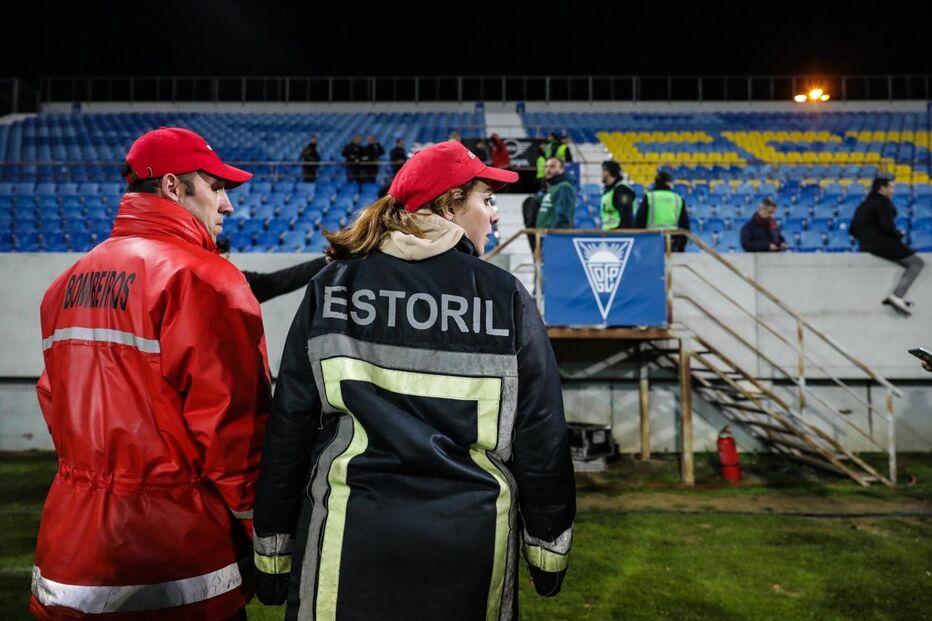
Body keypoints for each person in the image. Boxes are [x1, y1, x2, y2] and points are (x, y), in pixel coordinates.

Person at [253, 141, 576, 620]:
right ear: (448, 206)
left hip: (347, 539)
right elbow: (541, 431)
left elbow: (291, 424)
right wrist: (548, 546)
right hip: (473, 543)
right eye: (486, 200)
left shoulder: (335, 285)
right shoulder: (504, 296)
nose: (494, 215)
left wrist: (274, 544)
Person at [32, 127, 272, 620]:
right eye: (216, 187)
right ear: (172, 186)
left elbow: (56, 406)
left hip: (70, 550)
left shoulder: (66, 282)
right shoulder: (202, 279)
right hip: (178, 554)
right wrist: (266, 535)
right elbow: (234, 434)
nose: (227, 205)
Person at [850, 177, 925, 315]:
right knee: (917, 262)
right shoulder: (883, 203)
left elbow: (852, 230)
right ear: (882, 188)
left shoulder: (862, 205)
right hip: (882, 244)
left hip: (865, 246)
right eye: (891, 187)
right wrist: (899, 233)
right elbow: (887, 227)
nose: (893, 191)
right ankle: (897, 295)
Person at [216, 237, 328, 303]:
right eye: (217, 253)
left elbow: (280, 281)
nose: (224, 259)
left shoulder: (240, 281)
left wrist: (324, 261)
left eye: (226, 255)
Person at [635, 170, 691, 252]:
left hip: (651, 240)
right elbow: (684, 224)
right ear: (668, 183)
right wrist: (681, 247)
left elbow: (639, 221)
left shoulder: (649, 197)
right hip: (672, 241)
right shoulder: (678, 199)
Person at [536, 156, 577, 230]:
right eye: (546, 166)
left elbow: (563, 215)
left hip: (553, 235)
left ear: (562, 169)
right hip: (543, 234)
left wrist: (556, 234)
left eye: (552, 166)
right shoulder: (552, 189)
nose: (548, 169)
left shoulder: (564, 187)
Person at [600, 160, 637, 230]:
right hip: (610, 232)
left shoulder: (623, 191)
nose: (601, 174)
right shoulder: (609, 191)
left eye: (602, 171)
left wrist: (621, 233)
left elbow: (627, 216)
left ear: (607, 172)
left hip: (619, 233)